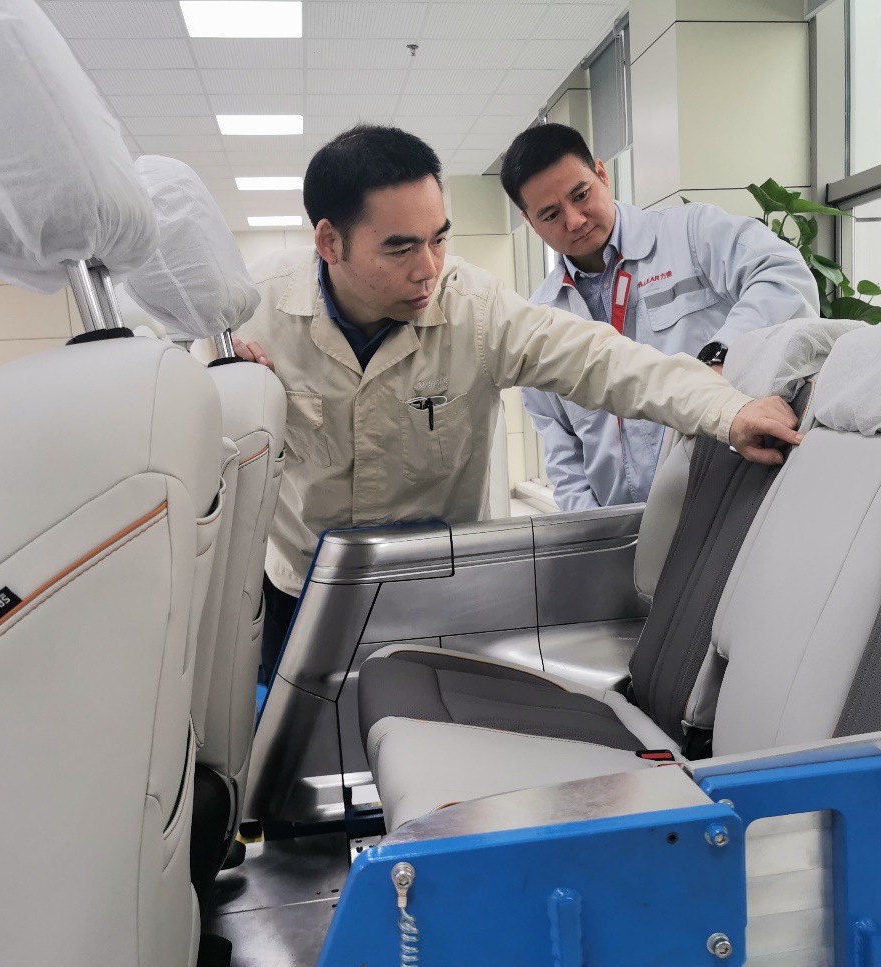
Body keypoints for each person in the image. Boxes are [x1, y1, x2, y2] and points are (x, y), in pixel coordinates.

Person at [232, 125, 805, 681]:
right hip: (305, 591)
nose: (427, 269)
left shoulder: (475, 308)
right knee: (297, 735)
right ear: (330, 242)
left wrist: (726, 409)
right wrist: (227, 386)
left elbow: (601, 360)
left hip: (440, 589)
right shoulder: (251, 313)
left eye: (438, 239)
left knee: (441, 729)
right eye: (400, 248)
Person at [500, 123, 820, 512]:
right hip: (624, 525)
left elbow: (784, 275)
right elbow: (565, 455)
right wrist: (595, 532)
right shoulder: (541, 322)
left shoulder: (690, 234)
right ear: (529, 221)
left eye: (581, 195)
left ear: (601, 174)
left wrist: (721, 355)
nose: (575, 221)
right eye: (551, 215)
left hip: (732, 502)